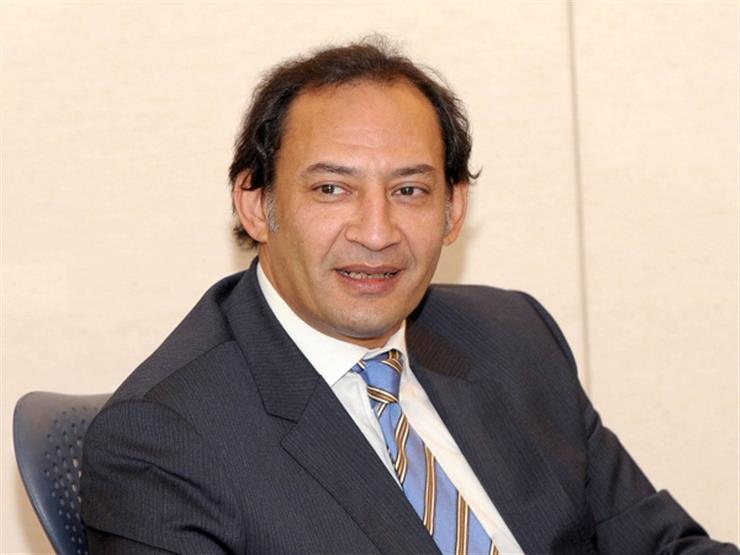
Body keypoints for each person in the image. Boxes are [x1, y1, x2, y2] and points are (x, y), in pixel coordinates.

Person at [80, 38, 736, 555]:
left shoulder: (513, 336)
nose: (376, 232)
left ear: (454, 209)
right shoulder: (163, 438)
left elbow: (660, 544)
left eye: (410, 191)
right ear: (256, 203)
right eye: (332, 189)